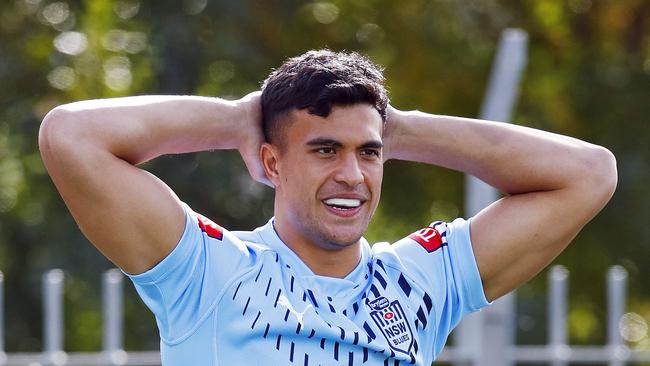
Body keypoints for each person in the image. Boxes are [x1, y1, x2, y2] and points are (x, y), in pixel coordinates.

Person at [38, 50, 617, 365]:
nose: (352, 175)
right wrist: (234, 119)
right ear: (270, 163)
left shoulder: (420, 278)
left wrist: (401, 130)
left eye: (368, 153)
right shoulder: (207, 271)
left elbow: (589, 173)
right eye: (324, 150)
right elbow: (70, 136)